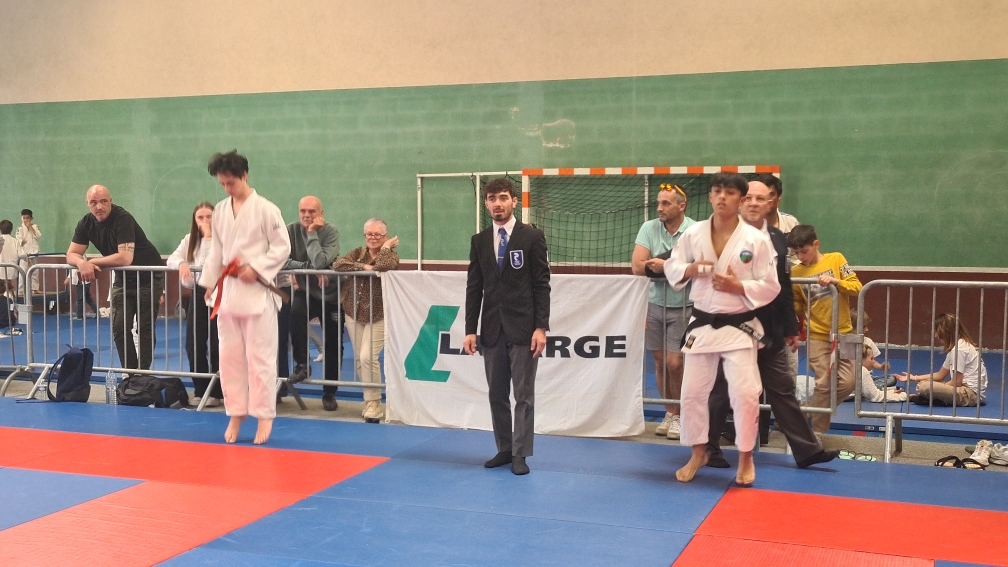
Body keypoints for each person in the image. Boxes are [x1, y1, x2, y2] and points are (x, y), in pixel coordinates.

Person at [703, 180, 838, 469]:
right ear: (740, 202)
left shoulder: (777, 238)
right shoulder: (721, 232)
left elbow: (783, 286)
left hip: (770, 331)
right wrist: (662, 265)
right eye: (749, 198)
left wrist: (790, 328)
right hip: (732, 329)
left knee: (782, 389)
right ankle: (708, 449)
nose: (754, 203)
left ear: (770, 204)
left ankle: (807, 451)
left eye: (760, 199)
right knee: (721, 390)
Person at [664, 172, 780, 487]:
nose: (722, 197)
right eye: (717, 191)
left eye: (729, 192)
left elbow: (771, 285)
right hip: (703, 324)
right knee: (692, 393)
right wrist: (690, 268)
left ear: (740, 200)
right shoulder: (693, 234)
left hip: (739, 326)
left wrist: (737, 285)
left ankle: (746, 457)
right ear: (710, 196)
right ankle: (698, 452)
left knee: (745, 393)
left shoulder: (756, 240)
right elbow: (672, 265)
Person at [199, 150, 290, 444]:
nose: (227, 188)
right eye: (222, 184)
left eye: (231, 183)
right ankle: (236, 412)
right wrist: (210, 283)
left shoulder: (266, 209)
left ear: (245, 175)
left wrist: (257, 268)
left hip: (257, 293)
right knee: (229, 359)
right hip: (228, 293)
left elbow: (282, 247)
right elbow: (216, 250)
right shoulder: (221, 210)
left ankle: (264, 414)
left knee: (260, 358)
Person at [463, 178, 551, 476]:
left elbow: (542, 285)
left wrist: (541, 327)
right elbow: (474, 287)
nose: (497, 203)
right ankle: (504, 448)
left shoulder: (532, 237)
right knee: (496, 394)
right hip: (491, 328)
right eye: (492, 198)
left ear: (514, 201)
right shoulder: (479, 240)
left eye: (503, 197)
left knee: (523, 394)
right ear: (486, 203)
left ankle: (520, 453)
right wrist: (470, 329)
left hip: (524, 328)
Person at [67, 185, 164, 371]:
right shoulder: (85, 223)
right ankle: (130, 374)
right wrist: (81, 263)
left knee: (144, 328)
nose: (99, 206)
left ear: (111, 201)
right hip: (123, 279)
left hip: (148, 276)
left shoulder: (122, 218)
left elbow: (125, 258)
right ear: (87, 203)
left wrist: (92, 261)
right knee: (119, 328)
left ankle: (142, 374)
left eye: (103, 201)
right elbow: (71, 253)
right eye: (94, 202)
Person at [633, 183, 696, 440]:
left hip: (684, 306)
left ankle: (681, 414)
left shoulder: (695, 230)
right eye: (659, 203)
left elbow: (697, 265)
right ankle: (670, 412)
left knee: (675, 363)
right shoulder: (648, 228)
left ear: (681, 206)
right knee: (659, 363)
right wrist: (675, 268)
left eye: (666, 203)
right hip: (654, 304)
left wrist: (665, 265)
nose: (659, 208)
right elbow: (638, 267)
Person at [788, 224, 862, 435]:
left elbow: (857, 287)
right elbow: (799, 305)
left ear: (816, 244)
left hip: (844, 332)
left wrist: (836, 282)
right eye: (796, 253)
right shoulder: (796, 272)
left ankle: (806, 413)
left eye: (804, 251)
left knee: (849, 382)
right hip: (816, 335)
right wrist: (784, 301)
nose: (801, 257)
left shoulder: (836, 259)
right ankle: (818, 434)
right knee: (823, 381)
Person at [333, 218, 400, 423]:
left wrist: (385, 248)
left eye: (377, 235)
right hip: (353, 311)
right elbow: (338, 264)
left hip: (377, 314)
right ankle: (370, 402)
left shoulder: (391, 256)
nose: (372, 238)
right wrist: (364, 266)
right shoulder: (358, 252)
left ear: (385, 237)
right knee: (359, 359)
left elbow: (383, 266)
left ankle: (375, 402)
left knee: (367, 356)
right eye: (369, 234)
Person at [284, 196, 342, 411]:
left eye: (312, 211)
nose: (307, 215)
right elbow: (282, 260)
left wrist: (311, 233)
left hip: (331, 295)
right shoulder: (290, 230)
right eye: (303, 211)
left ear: (321, 214)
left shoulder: (330, 231)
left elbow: (320, 261)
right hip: (306, 291)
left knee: (333, 343)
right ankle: (302, 365)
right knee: (295, 315)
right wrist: (308, 268)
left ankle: (329, 392)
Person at [167, 202, 223, 406]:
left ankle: (217, 392)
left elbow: (210, 263)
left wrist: (208, 236)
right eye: (200, 217)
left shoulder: (223, 239)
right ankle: (200, 389)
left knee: (218, 344)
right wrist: (182, 263)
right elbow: (172, 259)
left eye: (209, 217)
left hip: (220, 293)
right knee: (193, 343)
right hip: (199, 293)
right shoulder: (189, 240)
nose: (205, 221)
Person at [897, 313, 988, 407]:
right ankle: (934, 398)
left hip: (970, 395)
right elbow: (940, 375)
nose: (935, 335)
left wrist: (936, 389)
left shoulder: (959, 350)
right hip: (966, 391)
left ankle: (933, 398)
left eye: (937, 331)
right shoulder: (957, 347)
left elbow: (957, 382)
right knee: (924, 383)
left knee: (924, 387)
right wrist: (914, 378)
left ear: (945, 332)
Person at [17, 209, 42, 295]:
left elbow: (38, 235)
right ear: (21, 218)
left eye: (27, 218)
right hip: (24, 254)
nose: (25, 220)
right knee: (22, 271)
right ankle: (21, 290)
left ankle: (35, 288)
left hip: (33, 253)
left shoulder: (35, 227)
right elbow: (18, 240)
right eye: (24, 218)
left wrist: (30, 227)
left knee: (35, 271)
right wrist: (22, 241)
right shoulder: (20, 229)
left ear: (31, 218)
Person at [0, 220, 22, 295]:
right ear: (11, 229)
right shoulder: (15, 241)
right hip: (11, 268)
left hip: (1, 269)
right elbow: (22, 254)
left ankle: (7, 295)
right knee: (7, 282)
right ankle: (10, 296)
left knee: (4, 283)